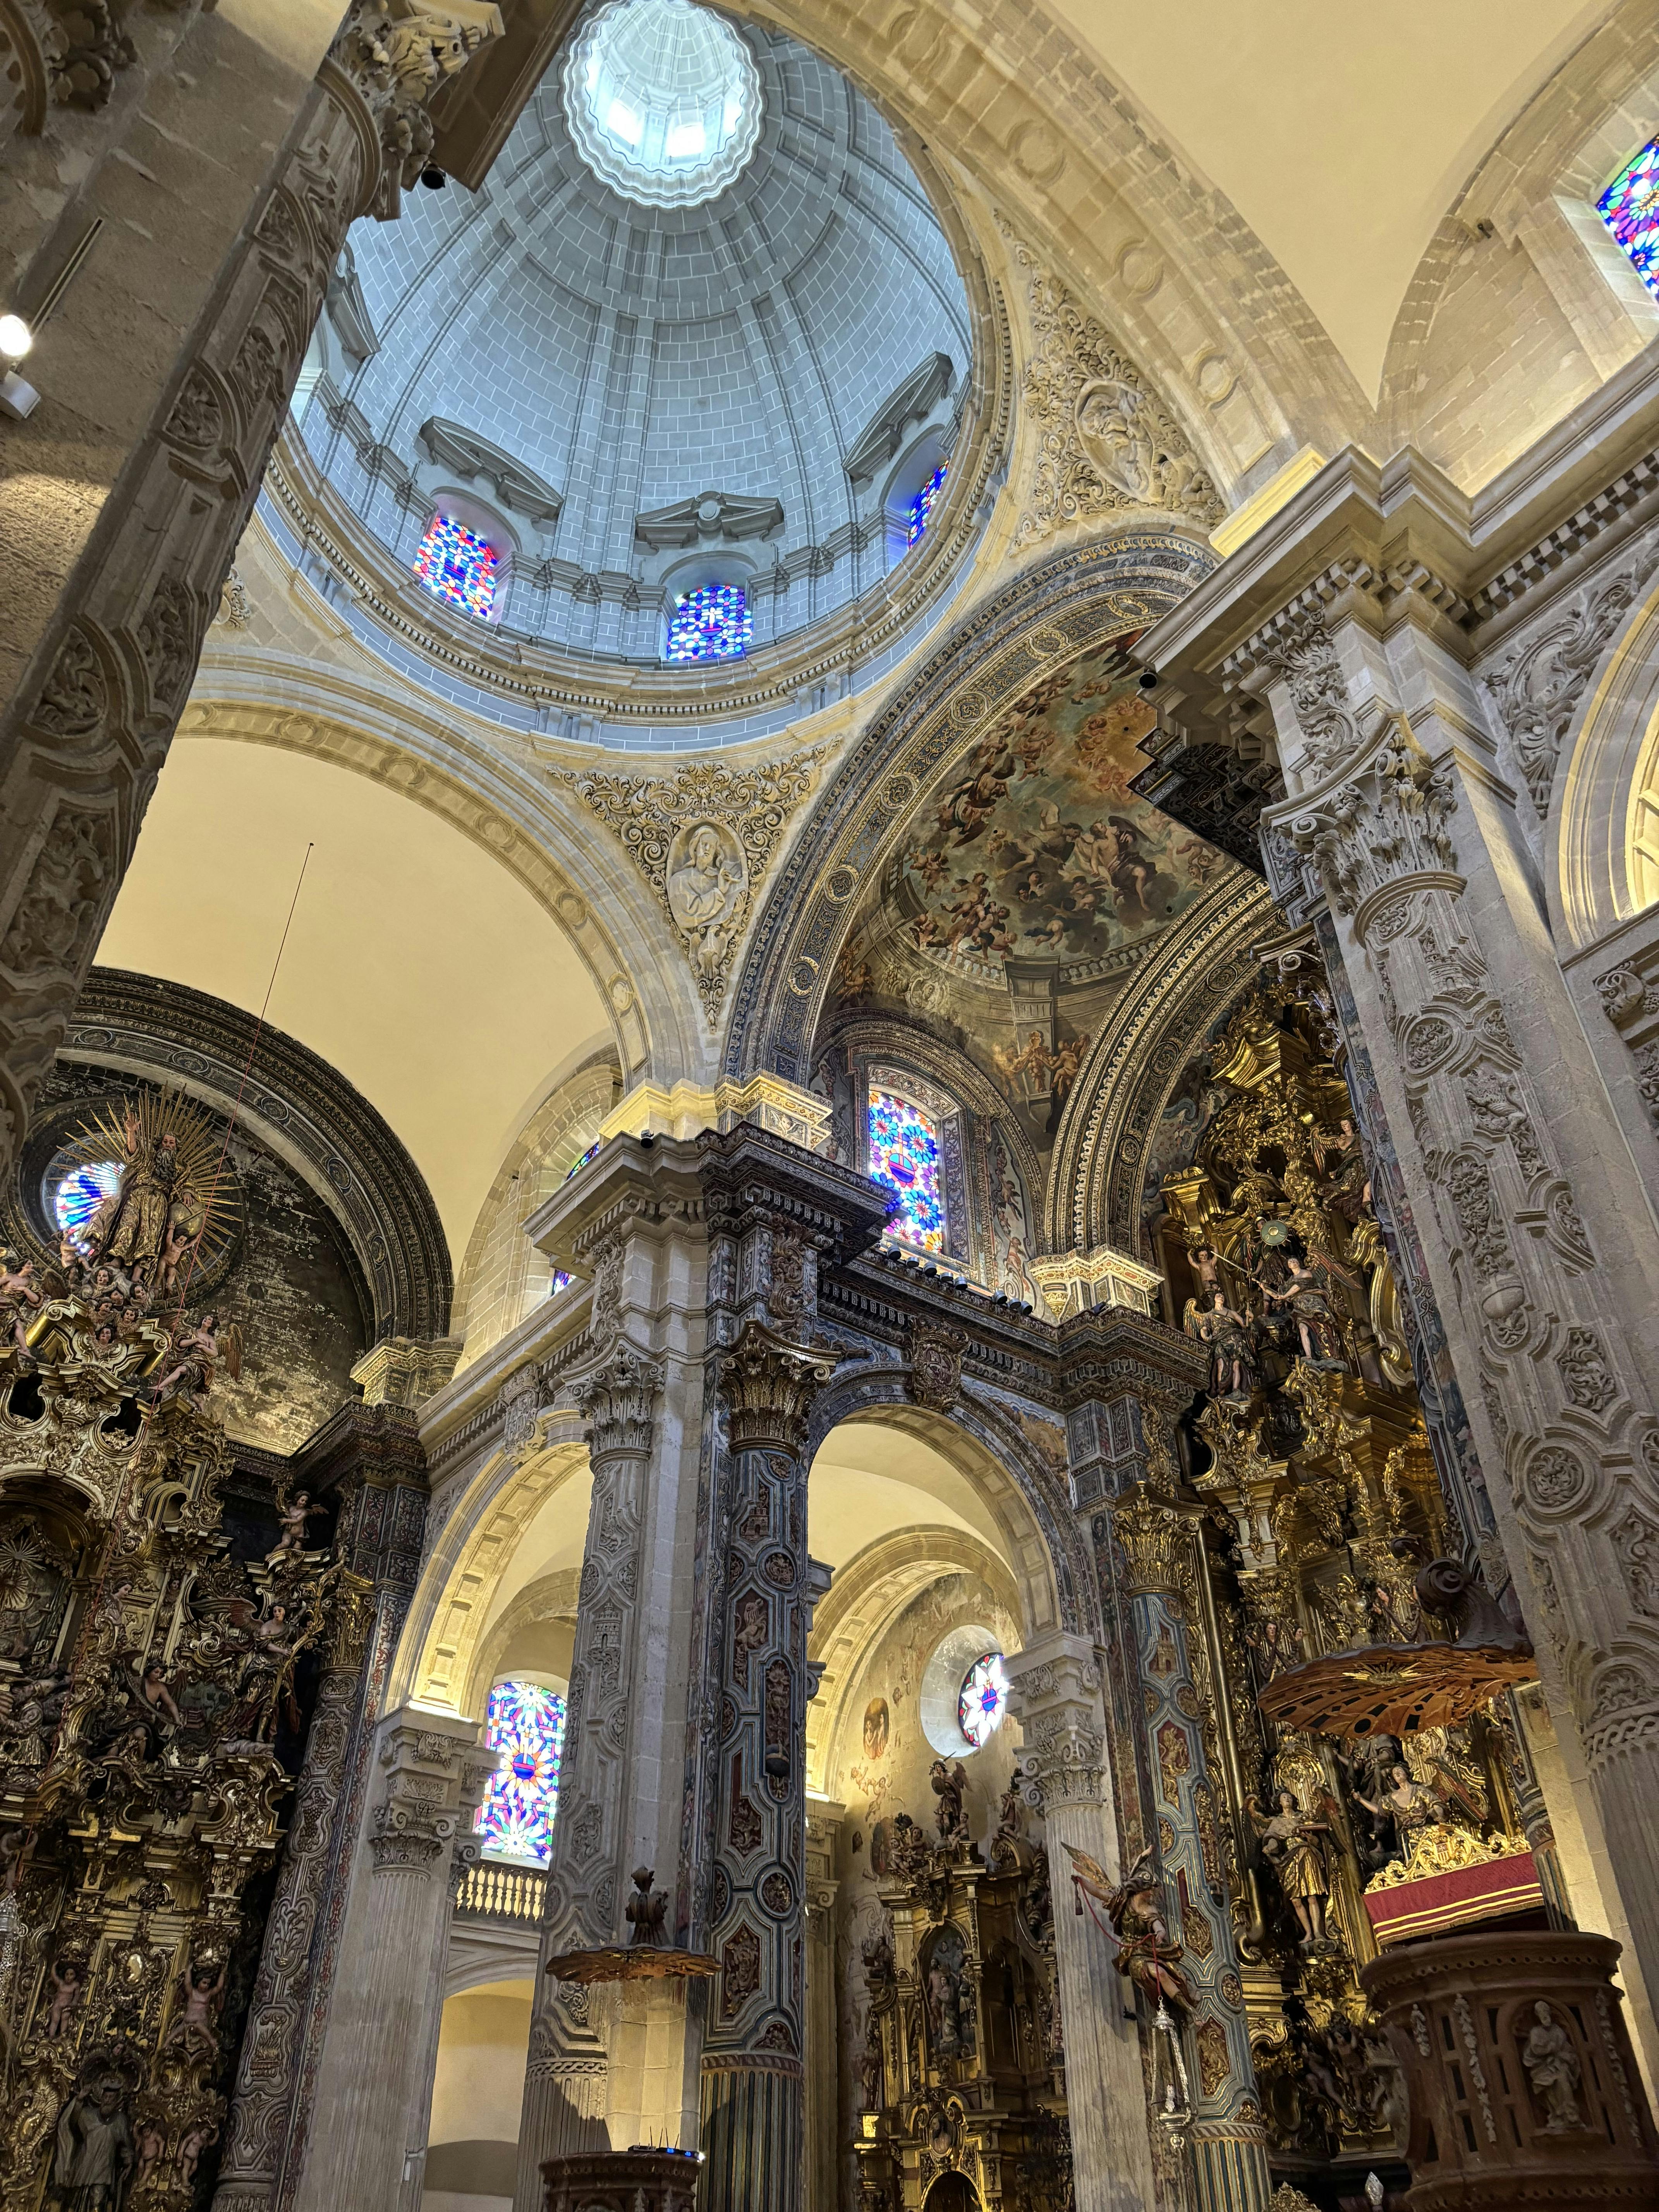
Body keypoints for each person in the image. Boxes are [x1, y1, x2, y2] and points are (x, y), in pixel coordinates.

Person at [1248, 1789, 1335, 1945]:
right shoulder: (1277, 1822)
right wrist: (1269, 1848)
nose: (1287, 1799)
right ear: (1279, 1803)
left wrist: (1309, 1838)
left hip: (1306, 1854)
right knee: (1295, 1900)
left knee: (1312, 1896)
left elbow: (1317, 1842)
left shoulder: (1303, 1818)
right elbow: (1275, 1841)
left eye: (1289, 1797)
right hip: (1289, 1859)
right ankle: (1308, 1933)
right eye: (1284, 1798)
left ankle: (1318, 1932)